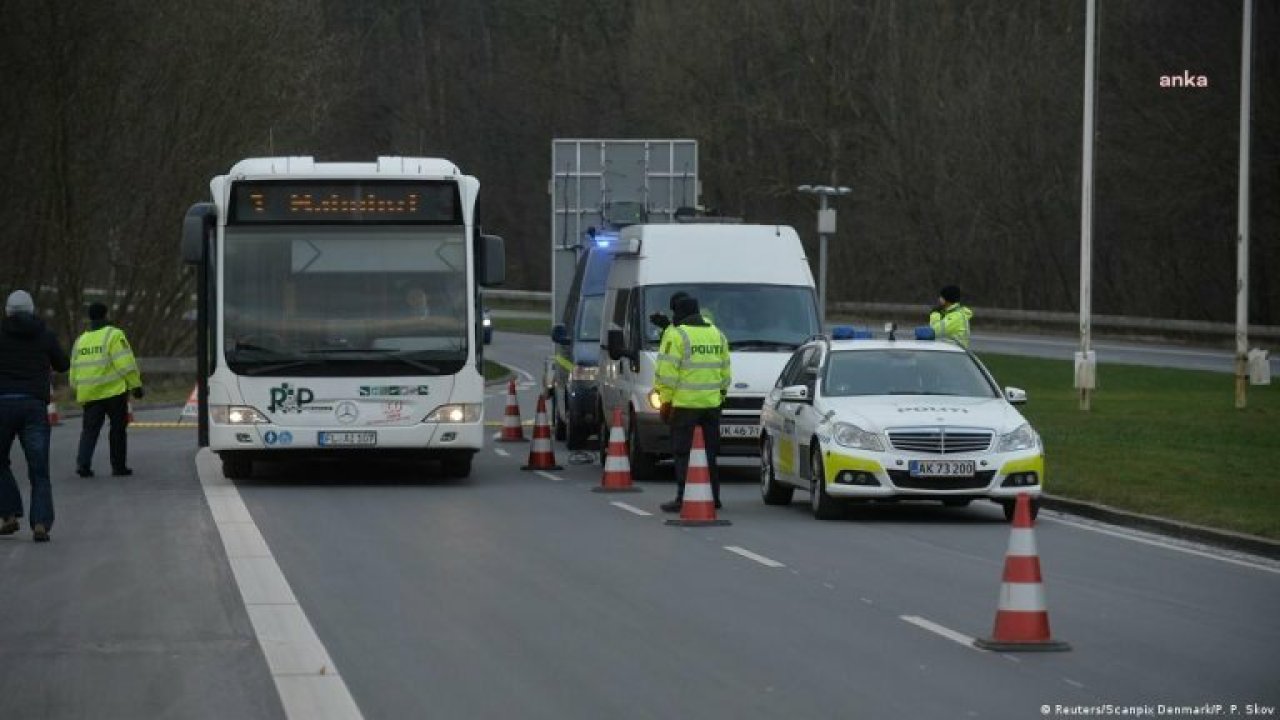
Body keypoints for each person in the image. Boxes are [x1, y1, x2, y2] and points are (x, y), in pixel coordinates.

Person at [0, 290, 70, 542]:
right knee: (39, 469)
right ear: (31, 311)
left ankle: (8, 513)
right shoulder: (45, 335)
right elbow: (63, 364)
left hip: (3, 404)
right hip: (34, 406)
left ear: (7, 312)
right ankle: (40, 522)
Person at [653, 293, 731, 513]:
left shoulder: (676, 336)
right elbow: (725, 373)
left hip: (685, 406)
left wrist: (666, 403)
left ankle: (683, 496)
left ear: (680, 313)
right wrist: (720, 398)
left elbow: (667, 375)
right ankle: (713, 497)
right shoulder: (717, 334)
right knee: (709, 453)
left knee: (683, 453)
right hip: (711, 406)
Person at [70, 303, 144, 478]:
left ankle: (83, 464)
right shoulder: (114, 334)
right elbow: (125, 363)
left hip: (90, 393)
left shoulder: (80, 340)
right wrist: (135, 385)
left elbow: (74, 371)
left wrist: (77, 389)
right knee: (117, 429)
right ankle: (118, 467)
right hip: (114, 392)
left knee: (89, 430)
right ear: (106, 314)